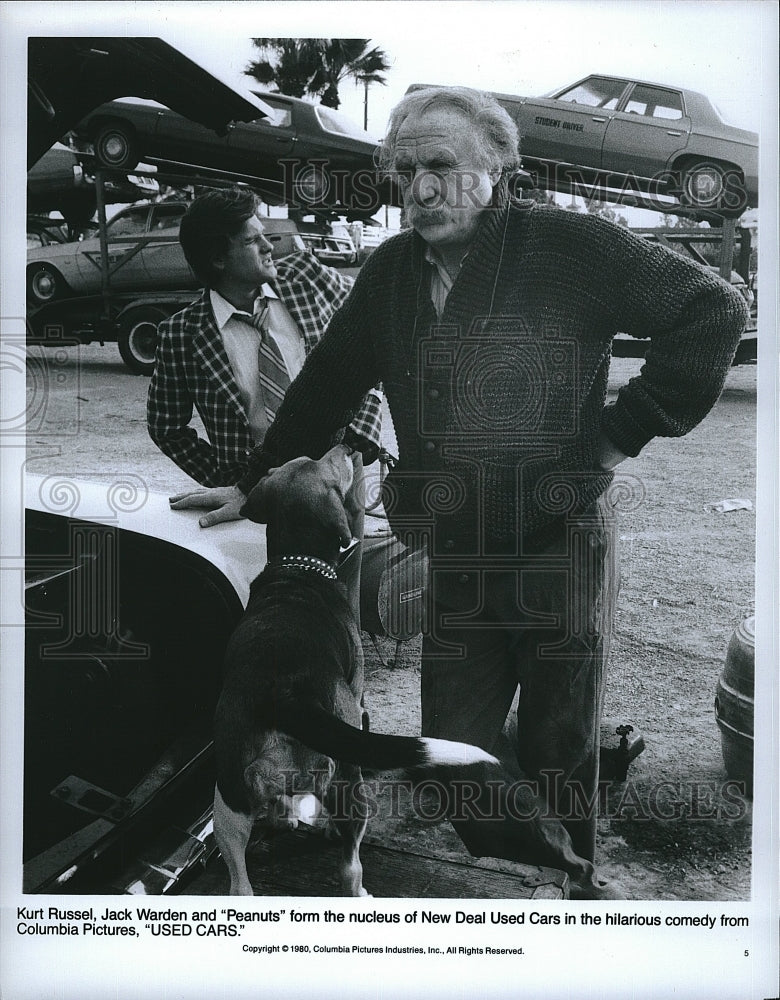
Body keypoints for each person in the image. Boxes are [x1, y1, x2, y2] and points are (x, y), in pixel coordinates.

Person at [170, 88, 748, 898]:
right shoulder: (392, 273)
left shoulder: (569, 246)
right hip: (460, 541)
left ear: (498, 168)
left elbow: (712, 308)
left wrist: (617, 437)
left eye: (441, 166)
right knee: (452, 741)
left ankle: (578, 875)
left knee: (561, 732)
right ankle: (530, 832)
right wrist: (252, 482)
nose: (420, 189)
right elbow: (327, 384)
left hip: (560, 536)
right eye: (404, 172)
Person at [147, 187, 382, 487]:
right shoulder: (181, 335)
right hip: (255, 491)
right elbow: (165, 425)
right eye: (251, 240)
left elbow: (375, 333)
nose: (268, 246)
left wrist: (355, 440)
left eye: (264, 234)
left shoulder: (306, 276)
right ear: (218, 259)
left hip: (339, 476)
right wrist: (226, 480)